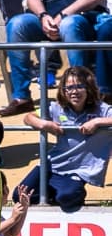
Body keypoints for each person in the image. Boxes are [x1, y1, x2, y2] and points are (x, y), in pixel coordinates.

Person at [16, 66, 112, 212]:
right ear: (63, 90)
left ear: (88, 87)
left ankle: (65, 195)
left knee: (68, 197)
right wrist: (44, 123)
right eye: (69, 87)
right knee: (20, 195)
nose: (74, 91)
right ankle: (53, 195)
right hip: (53, 163)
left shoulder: (102, 109)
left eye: (79, 86)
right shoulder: (57, 107)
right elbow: (28, 117)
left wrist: (98, 122)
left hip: (78, 170)